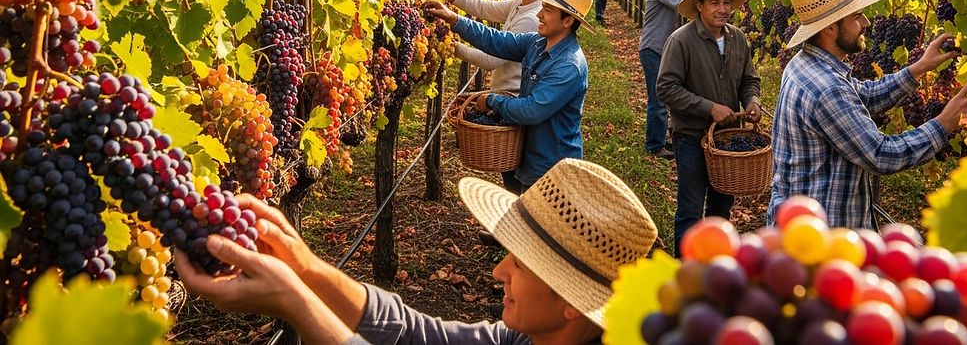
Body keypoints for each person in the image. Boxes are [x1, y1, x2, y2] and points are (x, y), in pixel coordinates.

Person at [177, 158, 659, 345]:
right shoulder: (533, 338)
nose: (498, 272)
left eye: (520, 263)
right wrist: (304, 266)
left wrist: (295, 302)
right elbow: (415, 333)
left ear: (573, 301)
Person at [767, 0, 967, 229]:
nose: (867, 22)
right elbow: (880, 155)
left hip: (800, 222)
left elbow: (861, 97)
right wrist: (943, 125)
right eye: (857, 16)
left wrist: (918, 68)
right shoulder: (827, 88)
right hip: (821, 236)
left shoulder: (806, 63)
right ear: (830, 28)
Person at [425, 0, 593, 194]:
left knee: (537, 215)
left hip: (552, 168)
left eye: (548, 10)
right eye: (542, 7)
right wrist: (454, 19)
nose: (539, 14)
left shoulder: (569, 66)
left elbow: (532, 110)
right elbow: (496, 40)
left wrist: (492, 100)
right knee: (517, 206)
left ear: (567, 20)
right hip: (526, 154)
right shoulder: (536, 43)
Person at [656, 0, 762, 256]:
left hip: (727, 141)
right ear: (700, 6)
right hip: (692, 137)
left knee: (721, 209)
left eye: (726, 3)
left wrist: (752, 101)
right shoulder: (681, 41)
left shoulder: (737, 39)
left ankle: (715, 268)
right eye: (714, 3)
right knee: (690, 210)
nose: (722, 9)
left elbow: (749, 80)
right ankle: (685, 269)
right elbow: (666, 88)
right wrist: (709, 108)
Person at [448, 0, 553, 93]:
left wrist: (452, 47)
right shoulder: (519, 3)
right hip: (502, 94)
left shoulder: (531, 19)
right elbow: (483, 7)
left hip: (511, 98)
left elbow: (490, 60)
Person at [639, 0, 690, 160]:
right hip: (653, 48)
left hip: (666, 49)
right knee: (659, 98)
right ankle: (654, 146)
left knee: (668, 95)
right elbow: (683, 5)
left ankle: (661, 139)